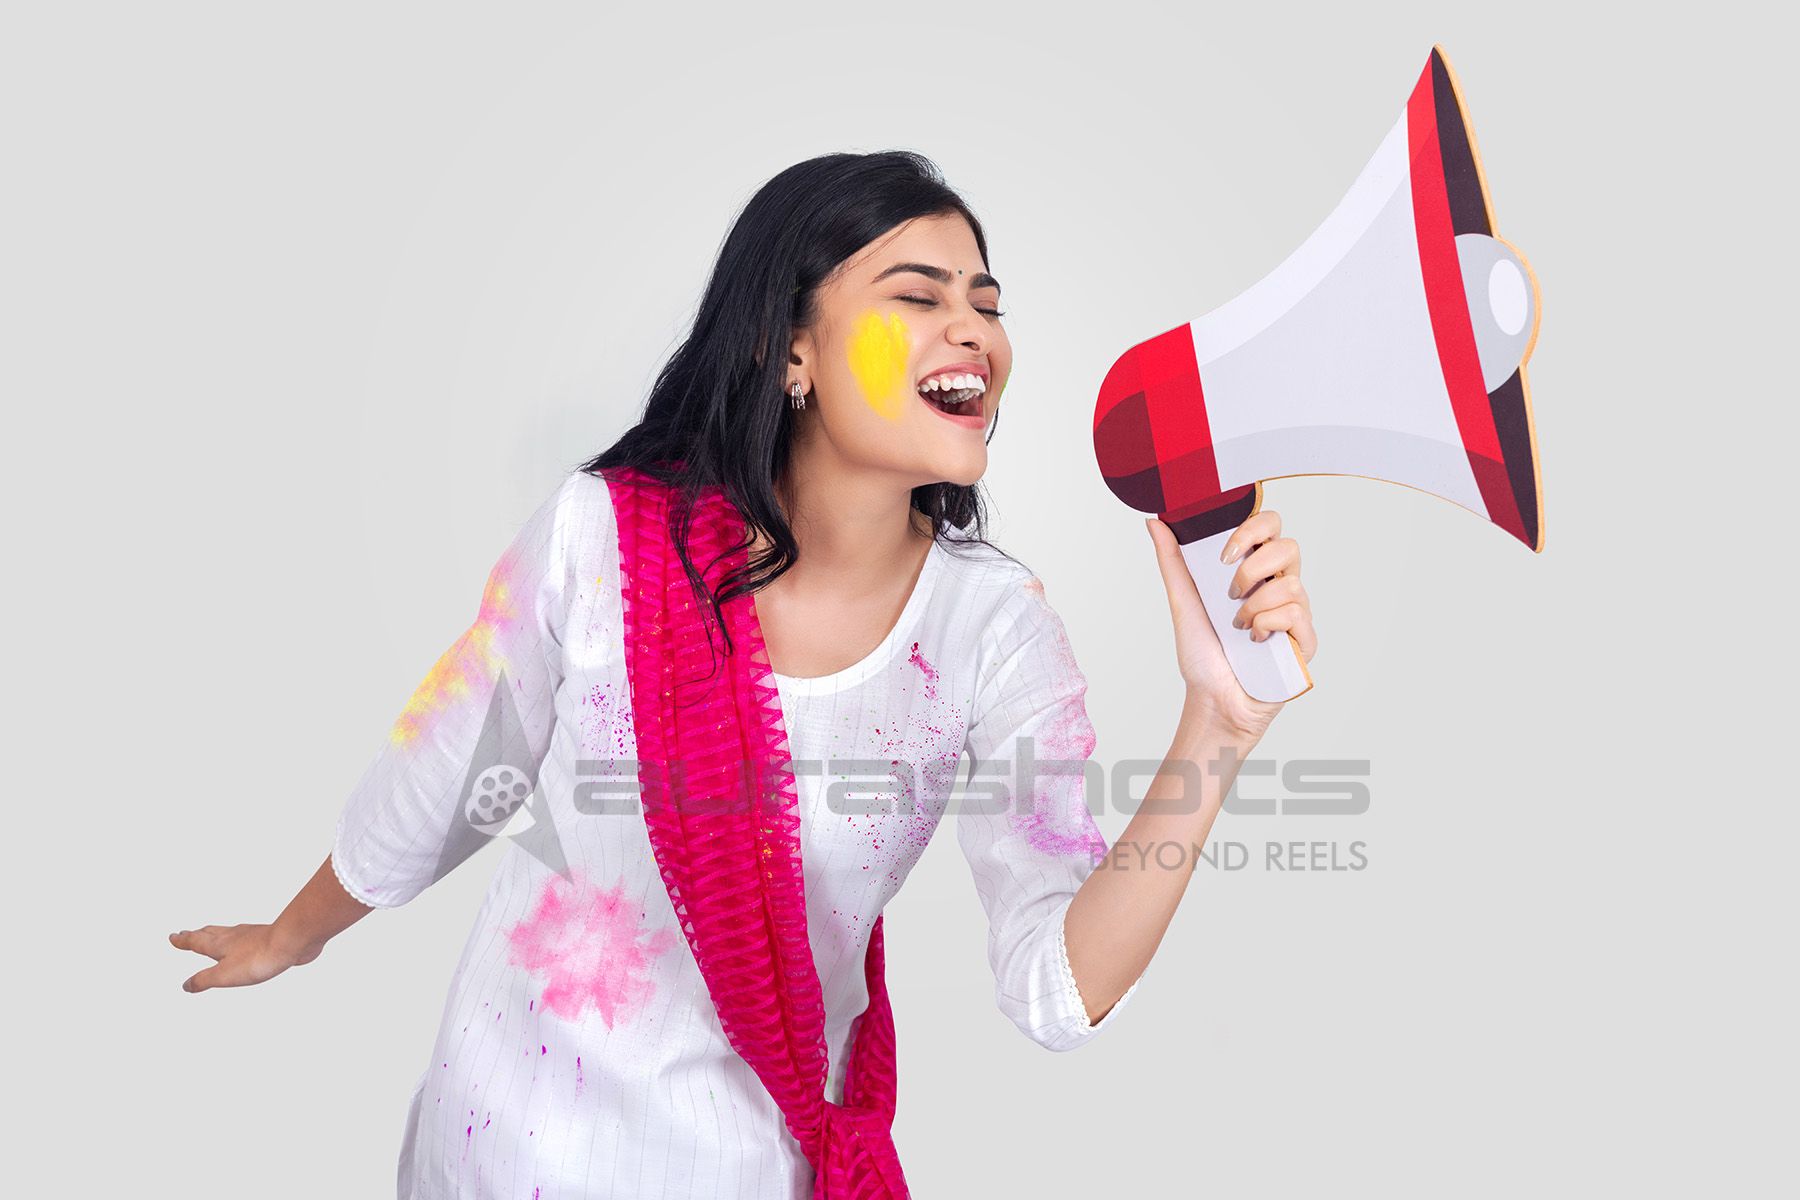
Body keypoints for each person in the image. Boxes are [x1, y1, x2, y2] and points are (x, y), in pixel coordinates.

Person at [169, 150, 1317, 1198]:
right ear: (791, 350)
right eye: (917, 297)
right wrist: (292, 933)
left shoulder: (993, 630)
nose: (974, 330)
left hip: (741, 1170)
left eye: (987, 304)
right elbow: (450, 769)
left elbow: (1054, 990)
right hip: (500, 1147)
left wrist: (1216, 727)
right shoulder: (601, 539)